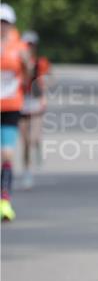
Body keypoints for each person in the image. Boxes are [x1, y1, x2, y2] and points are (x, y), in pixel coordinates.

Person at [0, 4, 32, 221]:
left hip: (11, 106)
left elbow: (28, 78)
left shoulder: (20, 46)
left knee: (7, 155)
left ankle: (4, 201)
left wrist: (27, 63)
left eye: (6, 23)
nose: (2, 27)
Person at [19, 31, 51, 189]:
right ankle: (27, 171)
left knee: (34, 138)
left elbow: (46, 80)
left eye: (31, 45)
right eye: (27, 44)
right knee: (25, 141)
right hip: (21, 101)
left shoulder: (41, 62)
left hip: (36, 100)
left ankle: (37, 148)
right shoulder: (16, 61)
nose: (29, 47)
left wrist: (44, 96)